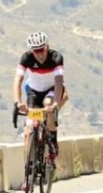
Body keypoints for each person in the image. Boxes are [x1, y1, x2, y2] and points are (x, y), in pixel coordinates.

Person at [12, 32, 68, 172]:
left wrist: (56, 103)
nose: (40, 54)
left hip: (52, 89)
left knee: (48, 105)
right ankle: (28, 169)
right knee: (29, 128)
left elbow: (59, 81)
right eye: (36, 51)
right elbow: (17, 81)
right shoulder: (26, 58)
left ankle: (53, 141)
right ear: (32, 50)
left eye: (42, 50)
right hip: (34, 92)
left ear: (47, 47)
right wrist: (18, 102)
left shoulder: (56, 57)